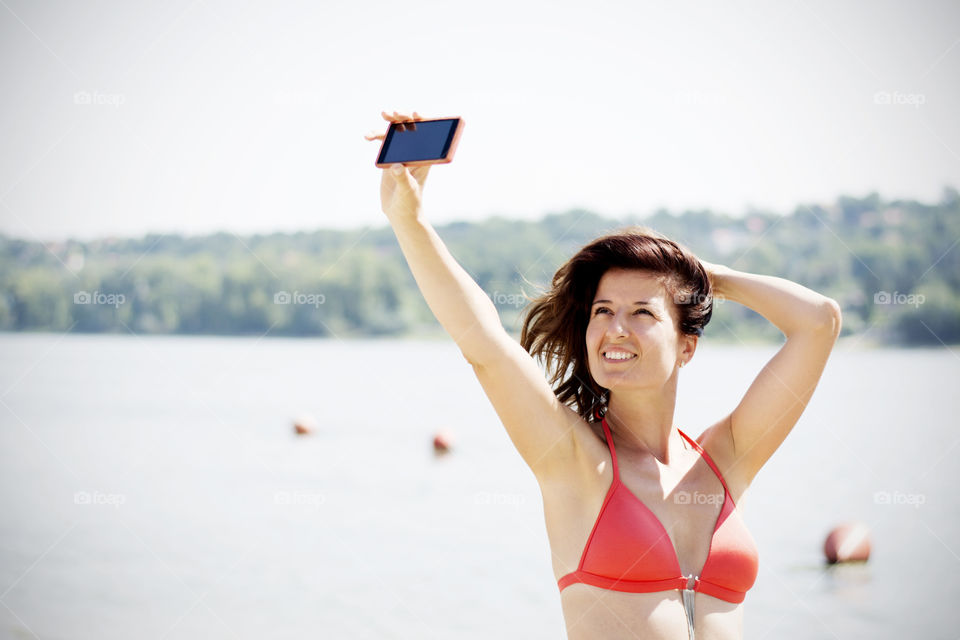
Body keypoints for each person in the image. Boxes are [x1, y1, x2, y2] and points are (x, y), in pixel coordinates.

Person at [365, 111, 842, 640]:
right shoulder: (574, 457)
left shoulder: (728, 457)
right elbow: (485, 344)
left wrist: (703, 276)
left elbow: (818, 322)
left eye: (642, 312)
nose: (615, 328)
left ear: (687, 346)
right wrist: (408, 220)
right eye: (602, 311)